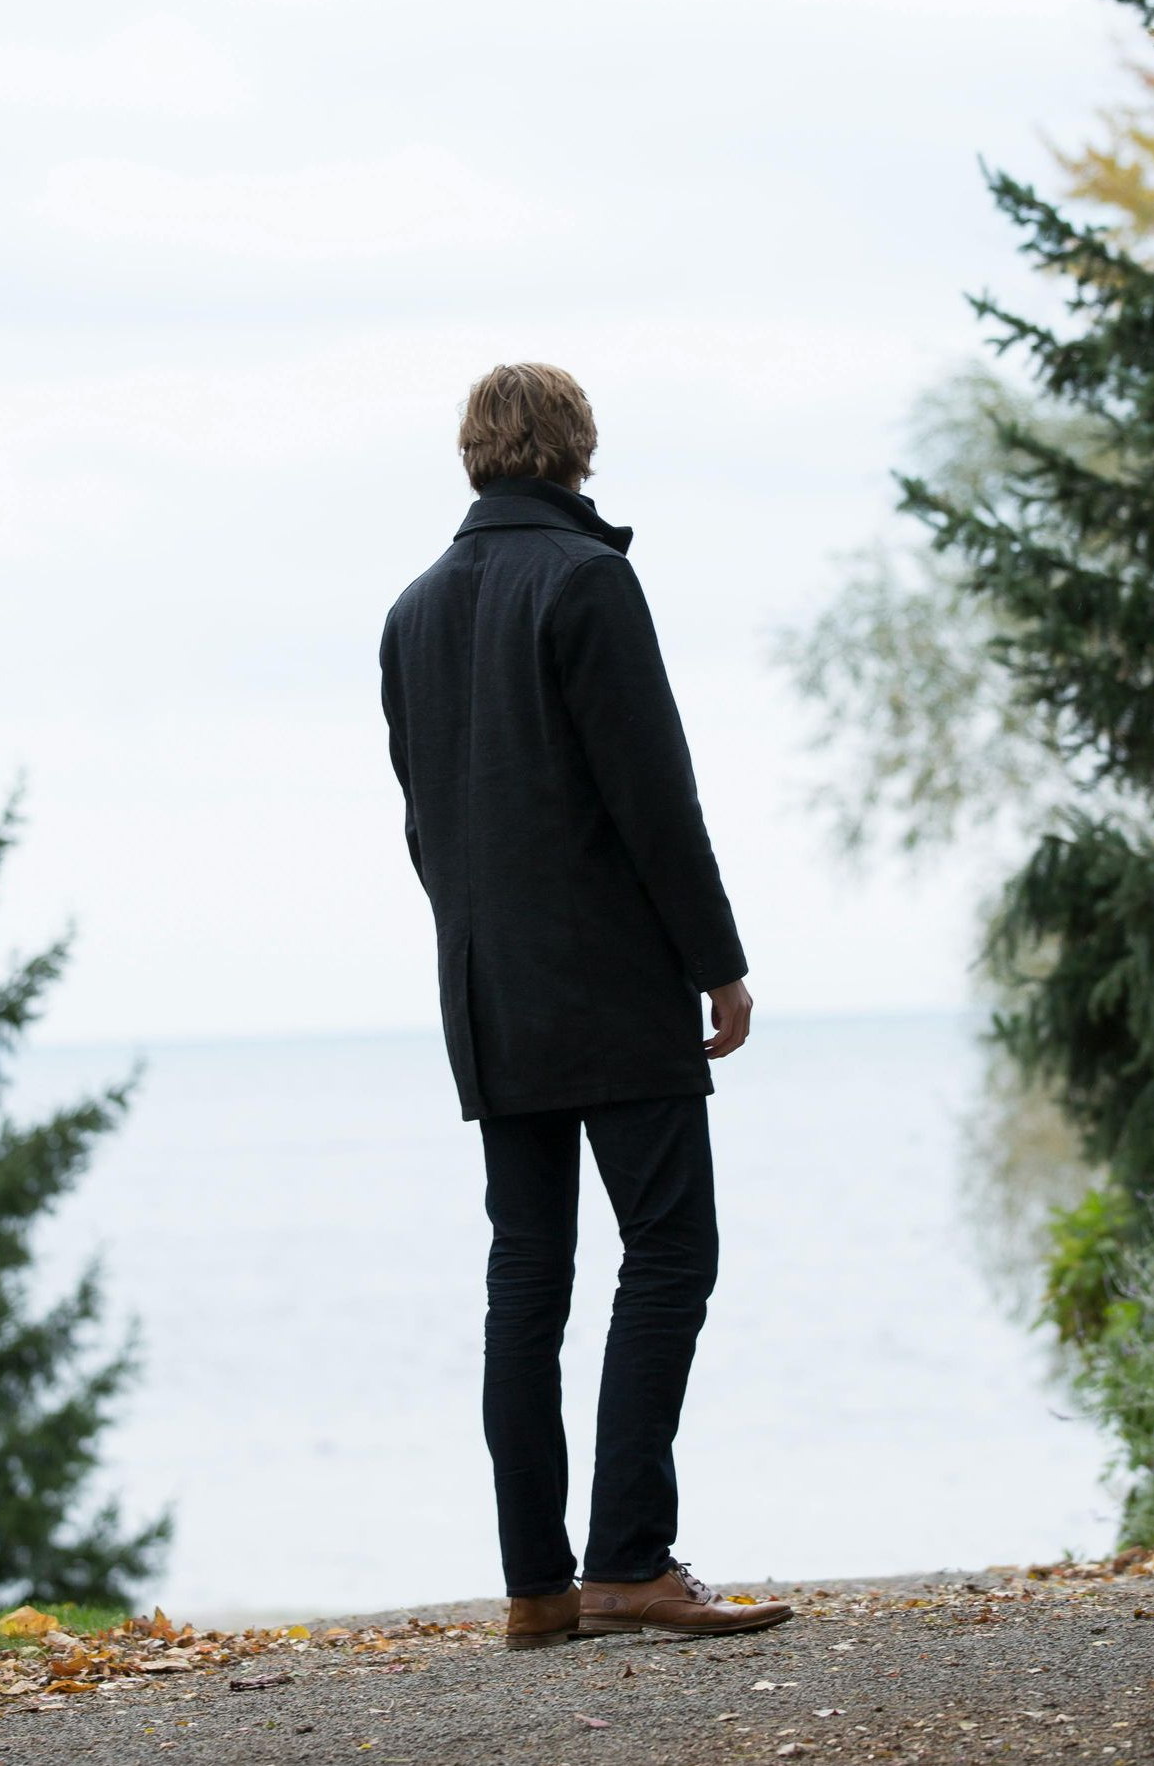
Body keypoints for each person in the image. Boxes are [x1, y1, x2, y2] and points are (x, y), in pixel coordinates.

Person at [379, 362, 792, 1647]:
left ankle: (535, 1587)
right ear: (573, 451)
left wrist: (476, 956)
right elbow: (653, 798)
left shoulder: (409, 612)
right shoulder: (587, 581)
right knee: (669, 1252)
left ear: (473, 456)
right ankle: (626, 1559)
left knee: (527, 1274)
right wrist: (714, 961)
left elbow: (425, 823)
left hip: (488, 989)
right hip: (610, 983)